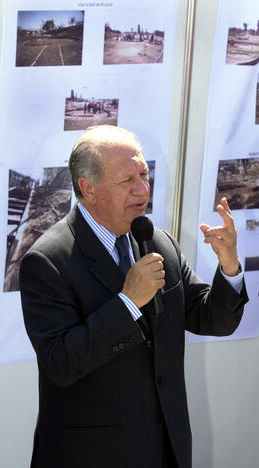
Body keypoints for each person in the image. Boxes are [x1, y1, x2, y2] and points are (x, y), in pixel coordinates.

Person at [19, 125, 248, 468]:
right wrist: (127, 303)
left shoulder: (158, 243)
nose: (143, 189)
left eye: (144, 173)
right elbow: (61, 364)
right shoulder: (48, 261)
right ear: (88, 189)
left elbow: (213, 318)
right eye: (127, 180)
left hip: (164, 451)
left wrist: (229, 265)